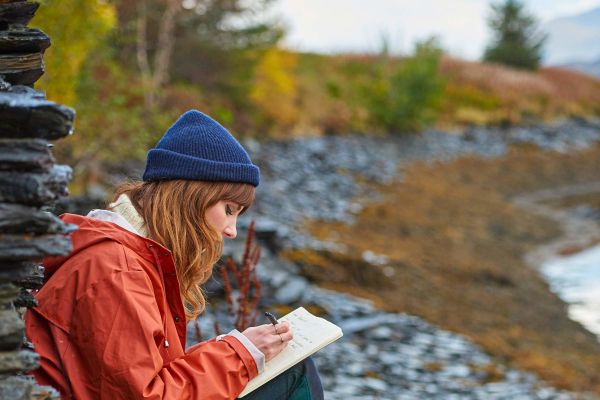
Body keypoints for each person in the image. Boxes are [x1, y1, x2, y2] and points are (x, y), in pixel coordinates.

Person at [25, 110, 324, 399]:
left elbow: (145, 375)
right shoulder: (115, 269)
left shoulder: (136, 256)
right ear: (192, 199)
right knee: (296, 373)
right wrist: (239, 353)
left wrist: (235, 346)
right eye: (229, 210)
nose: (232, 230)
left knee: (289, 365)